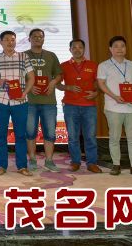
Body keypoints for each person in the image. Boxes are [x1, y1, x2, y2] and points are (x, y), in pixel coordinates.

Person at [97, 36, 132, 178]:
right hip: (113, 107)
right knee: (114, 137)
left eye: (122, 46)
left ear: (126, 48)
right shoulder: (104, 65)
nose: (119, 49)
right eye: (116, 46)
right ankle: (116, 165)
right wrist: (114, 96)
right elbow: (101, 84)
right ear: (110, 49)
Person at [0, 30, 34, 176]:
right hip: (0, 101)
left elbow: (31, 78)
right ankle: (1, 165)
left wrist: (24, 93)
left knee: (20, 135)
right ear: (1, 42)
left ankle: (22, 166)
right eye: (6, 39)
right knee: (1, 134)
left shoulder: (24, 57)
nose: (10, 42)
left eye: (12, 39)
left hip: (20, 101)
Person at [57, 39, 101, 173]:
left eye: (80, 47)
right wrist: (68, 87)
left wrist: (96, 93)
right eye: (74, 47)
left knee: (90, 136)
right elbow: (57, 84)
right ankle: (75, 162)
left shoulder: (93, 65)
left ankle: (92, 163)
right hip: (70, 105)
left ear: (84, 49)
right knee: (73, 136)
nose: (77, 50)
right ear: (70, 49)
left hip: (89, 106)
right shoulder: (63, 65)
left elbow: (99, 83)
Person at [25, 28, 62, 172]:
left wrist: (53, 83)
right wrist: (29, 86)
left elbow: (59, 74)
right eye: (34, 36)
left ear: (44, 39)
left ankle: (49, 161)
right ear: (29, 39)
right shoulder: (23, 55)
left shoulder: (51, 55)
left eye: (40, 36)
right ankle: (32, 160)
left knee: (50, 133)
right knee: (30, 133)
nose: (37, 38)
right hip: (30, 101)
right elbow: (19, 76)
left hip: (48, 102)